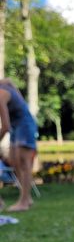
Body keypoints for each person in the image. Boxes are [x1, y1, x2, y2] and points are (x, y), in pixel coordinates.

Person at [0, 78, 38, 211]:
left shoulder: (1, 95)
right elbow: (8, 80)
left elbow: (5, 126)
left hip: (25, 124)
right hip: (16, 125)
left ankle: (24, 202)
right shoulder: (3, 85)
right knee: (13, 161)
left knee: (23, 163)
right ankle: (26, 198)